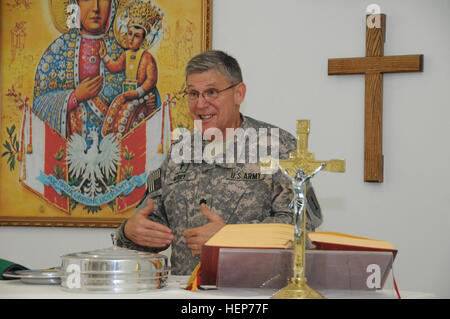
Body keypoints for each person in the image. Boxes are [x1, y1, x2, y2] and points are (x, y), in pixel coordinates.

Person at [116, 50, 323, 275]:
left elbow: (301, 228)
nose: (200, 104)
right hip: (188, 293)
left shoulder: (277, 146)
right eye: (193, 94)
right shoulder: (179, 149)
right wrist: (130, 231)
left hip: (254, 292)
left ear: (239, 94)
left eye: (211, 92)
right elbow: (152, 225)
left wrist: (231, 238)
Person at [33, 0, 124, 145]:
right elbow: (38, 107)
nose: (96, 8)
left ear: (113, 4)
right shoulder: (58, 52)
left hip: (114, 154)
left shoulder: (123, 53)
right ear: (75, 3)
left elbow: (145, 95)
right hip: (69, 155)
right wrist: (73, 97)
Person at [99, 1, 162, 138]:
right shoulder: (125, 55)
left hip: (143, 97)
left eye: (136, 35)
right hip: (127, 93)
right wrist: (105, 57)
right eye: (129, 33)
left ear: (144, 39)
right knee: (115, 109)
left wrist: (139, 92)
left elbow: (151, 80)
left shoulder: (147, 58)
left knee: (127, 119)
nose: (131, 39)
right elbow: (115, 67)